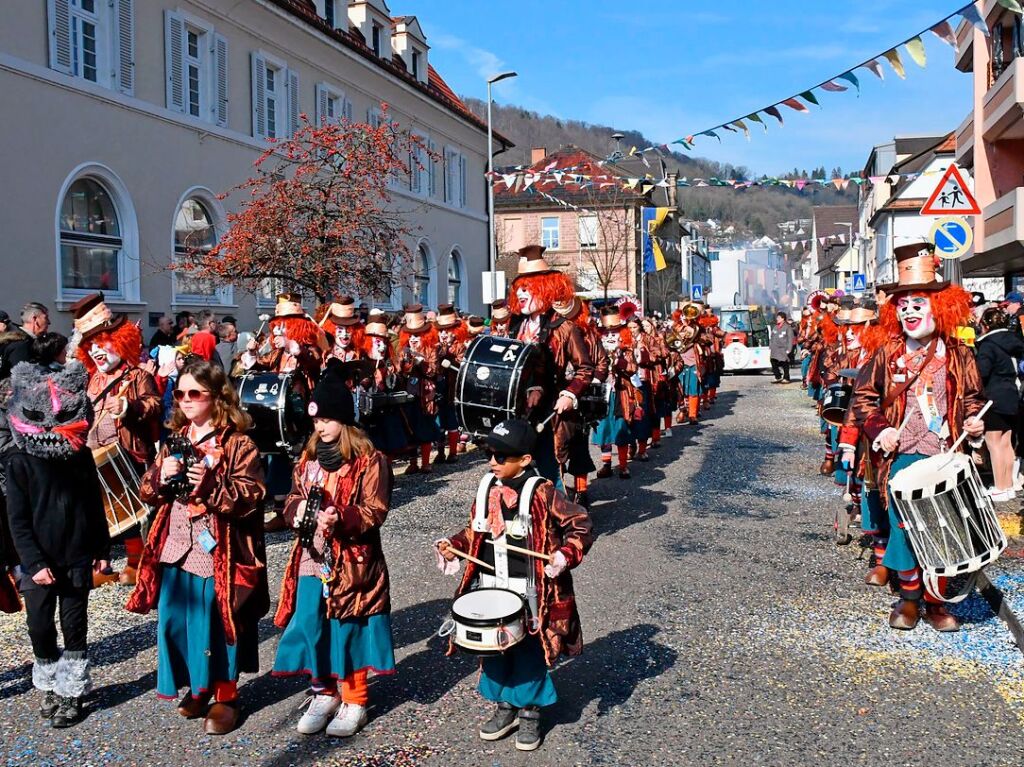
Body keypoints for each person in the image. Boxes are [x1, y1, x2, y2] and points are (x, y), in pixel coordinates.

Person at [849, 243, 986, 632]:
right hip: (901, 458)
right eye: (903, 304)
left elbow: (973, 399)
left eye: (917, 303)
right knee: (906, 528)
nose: (909, 311)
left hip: (945, 455)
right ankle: (909, 601)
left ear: (938, 307)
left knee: (945, 530)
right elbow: (862, 399)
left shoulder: (959, 353)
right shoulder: (887, 352)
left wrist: (973, 423)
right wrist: (881, 429)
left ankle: (937, 604)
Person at [126, 360, 267, 735]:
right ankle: (198, 687)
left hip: (218, 550)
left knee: (216, 624)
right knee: (177, 622)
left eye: (195, 393)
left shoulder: (239, 443)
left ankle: (226, 695)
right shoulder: (176, 438)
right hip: (175, 544)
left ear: (216, 396)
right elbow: (147, 491)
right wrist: (160, 475)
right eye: (181, 393)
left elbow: (251, 496)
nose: (185, 401)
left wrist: (209, 484)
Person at [435, 418, 592, 752]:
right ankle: (506, 705)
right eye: (490, 453)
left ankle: (531, 711)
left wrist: (564, 554)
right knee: (495, 650)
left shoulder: (544, 491)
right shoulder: (486, 490)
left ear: (524, 459)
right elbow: (474, 532)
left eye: (501, 456)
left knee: (528, 652)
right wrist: (453, 545)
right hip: (491, 585)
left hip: (533, 591)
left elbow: (580, 523)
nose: (493, 461)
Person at [271, 359, 395, 738]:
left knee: (349, 627)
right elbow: (291, 499)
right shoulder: (307, 460)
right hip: (311, 557)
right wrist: (295, 514)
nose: (320, 427)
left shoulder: (370, 460)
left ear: (343, 419)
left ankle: (354, 698)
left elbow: (375, 509)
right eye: (315, 421)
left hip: (353, 561)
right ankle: (323, 691)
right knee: (312, 623)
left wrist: (341, 517)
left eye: (326, 419)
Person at [5, 358, 110, 728]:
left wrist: (101, 549)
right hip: (40, 559)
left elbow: (94, 505)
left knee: (74, 622)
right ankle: (49, 682)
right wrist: (33, 563)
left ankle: (72, 692)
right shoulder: (18, 461)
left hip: (77, 552)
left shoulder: (79, 456)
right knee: (38, 624)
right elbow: (16, 520)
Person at [72, 293, 162, 586]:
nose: (97, 351)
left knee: (132, 515)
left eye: (104, 343)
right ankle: (104, 564)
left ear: (121, 341)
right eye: (92, 346)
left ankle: (137, 563)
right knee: (97, 513)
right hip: (92, 455)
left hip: (128, 452)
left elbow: (154, 404)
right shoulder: (89, 378)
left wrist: (128, 407)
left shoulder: (136, 376)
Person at [974, 306, 1024, 501]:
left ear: (986, 325)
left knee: (993, 442)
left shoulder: (988, 345)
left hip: (993, 397)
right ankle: (1008, 485)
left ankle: (999, 486)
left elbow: (982, 373)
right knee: (1007, 442)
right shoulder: (1014, 342)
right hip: (1012, 395)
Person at [1, 302, 49, 380]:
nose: (49, 322)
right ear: (35, 319)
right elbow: (21, 381)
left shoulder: (17, 339)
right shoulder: (21, 345)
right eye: (46, 318)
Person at [768, 310, 794, 383]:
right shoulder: (775, 327)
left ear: (783, 318)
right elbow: (772, 336)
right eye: (777, 317)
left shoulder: (787, 328)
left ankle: (786, 378)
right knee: (773, 361)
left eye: (779, 317)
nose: (777, 319)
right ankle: (778, 376)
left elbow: (790, 339)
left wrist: (789, 349)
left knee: (784, 363)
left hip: (783, 348)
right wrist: (771, 345)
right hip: (775, 349)